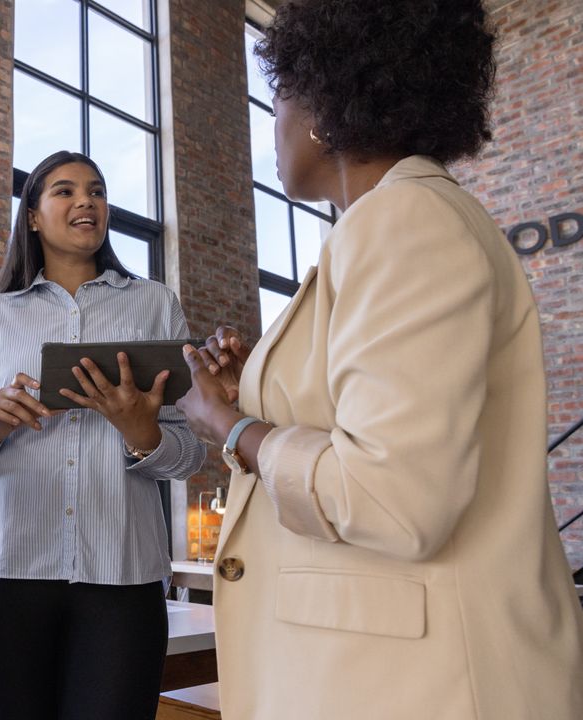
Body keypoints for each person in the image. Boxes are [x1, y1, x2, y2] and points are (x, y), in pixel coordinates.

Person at [175, 2, 583, 718]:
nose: (270, 127)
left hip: (415, 684)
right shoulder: (399, 223)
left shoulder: (403, 222)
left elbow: (393, 498)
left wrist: (230, 425)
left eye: (278, 99)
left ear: (325, 113)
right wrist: (256, 398)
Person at [0, 150, 206, 720]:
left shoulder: (155, 305)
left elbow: (189, 456)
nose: (87, 200)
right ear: (32, 216)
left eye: (97, 190)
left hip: (123, 575)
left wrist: (142, 434)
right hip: (4, 571)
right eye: (65, 191)